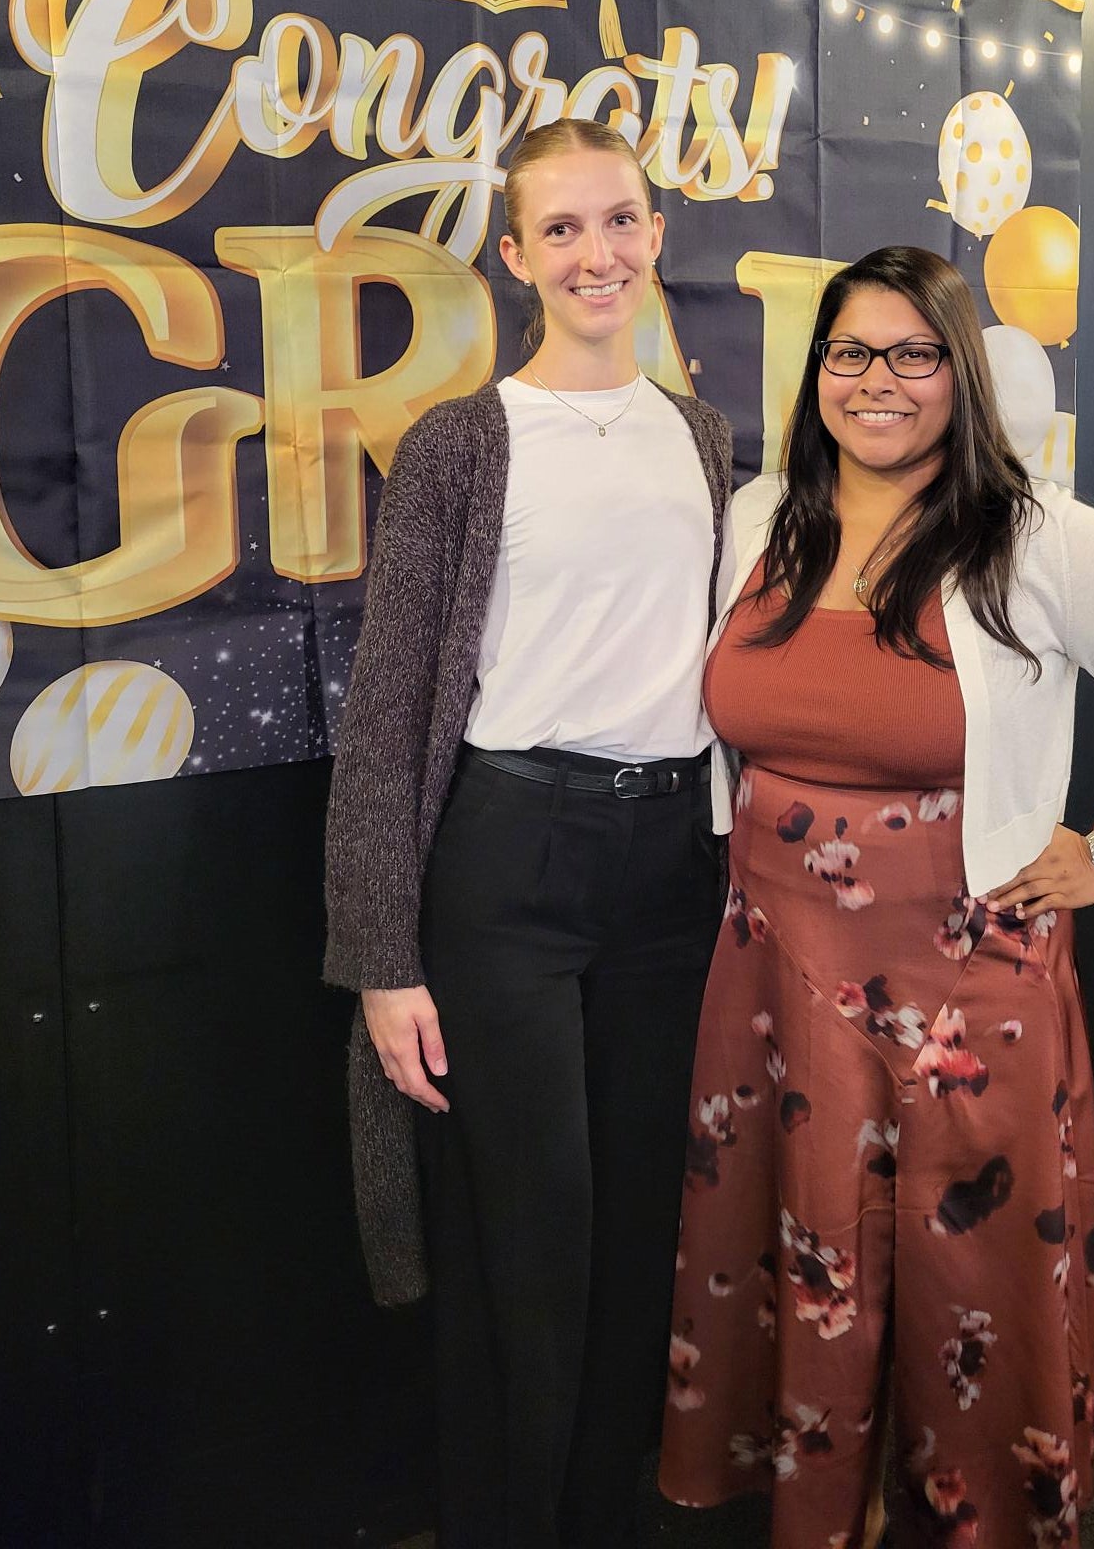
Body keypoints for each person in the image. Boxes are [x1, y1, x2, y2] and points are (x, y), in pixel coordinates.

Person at [658, 245, 1094, 1549]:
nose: (878, 381)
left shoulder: (1032, 538)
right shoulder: (762, 518)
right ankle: (835, 1510)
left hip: (961, 983)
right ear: (816, 370)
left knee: (965, 1281)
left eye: (913, 353)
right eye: (849, 353)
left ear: (960, 375)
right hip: (774, 971)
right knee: (804, 1260)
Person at [323, 117, 732, 1549]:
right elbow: (384, 717)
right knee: (530, 1241)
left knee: (640, 1235)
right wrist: (382, 959)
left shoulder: (700, 435)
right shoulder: (461, 445)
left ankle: (603, 1519)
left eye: (617, 220)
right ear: (514, 256)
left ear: (657, 232)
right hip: (509, 868)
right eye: (559, 230)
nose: (594, 252)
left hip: (669, 871)